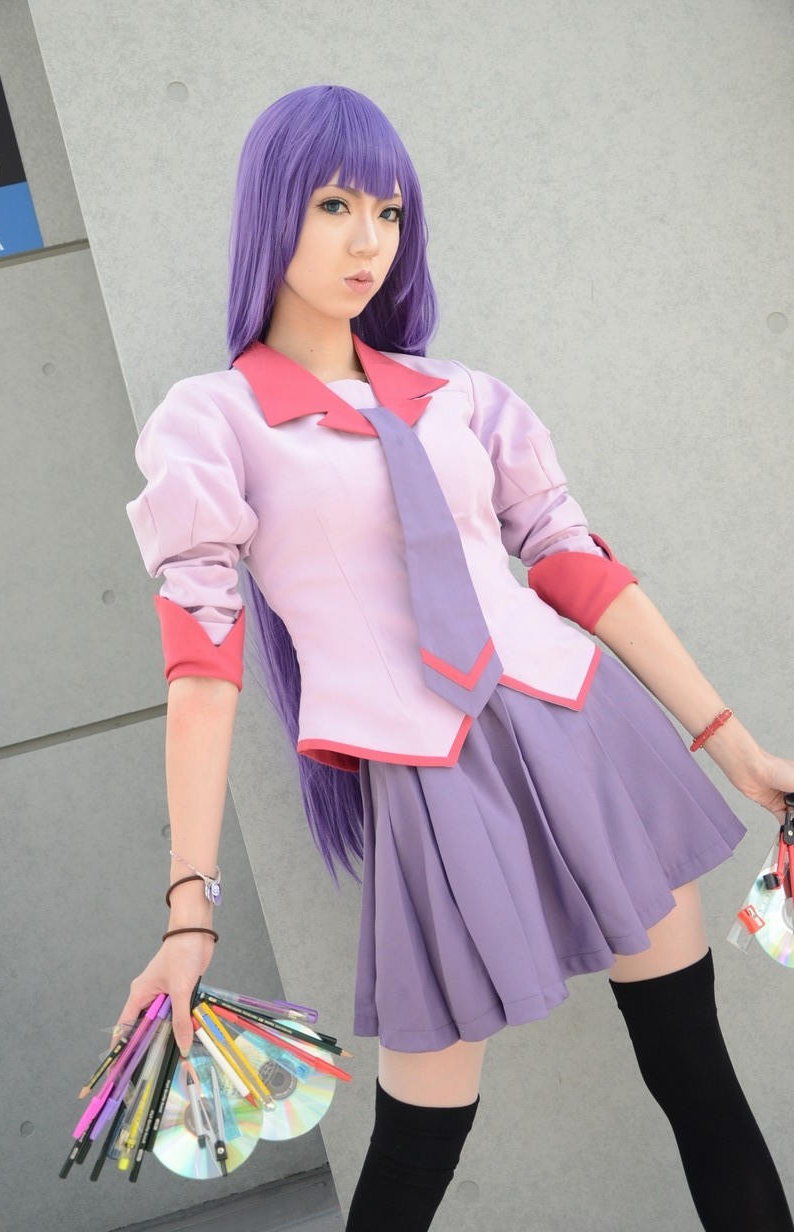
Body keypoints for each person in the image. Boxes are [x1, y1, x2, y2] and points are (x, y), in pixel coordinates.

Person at [116, 85, 793, 1230]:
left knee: (695, 1072)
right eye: (335, 204)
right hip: (429, 783)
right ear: (273, 210)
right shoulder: (212, 422)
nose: (368, 239)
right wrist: (191, 908)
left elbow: (575, 563)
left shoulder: (464, 398)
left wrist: (736, 746)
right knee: (421, 1138)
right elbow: (202, 668)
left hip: (584, 732)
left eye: (387, 210)